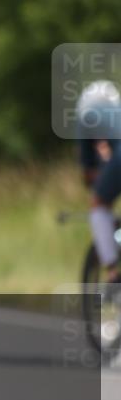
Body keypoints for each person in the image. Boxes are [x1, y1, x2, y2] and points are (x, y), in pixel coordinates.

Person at [77, 80, 121, 285]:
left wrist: (99, 188)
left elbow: (89, 169)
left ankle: (112, 272)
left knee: (99, 204)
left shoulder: (86, 114)